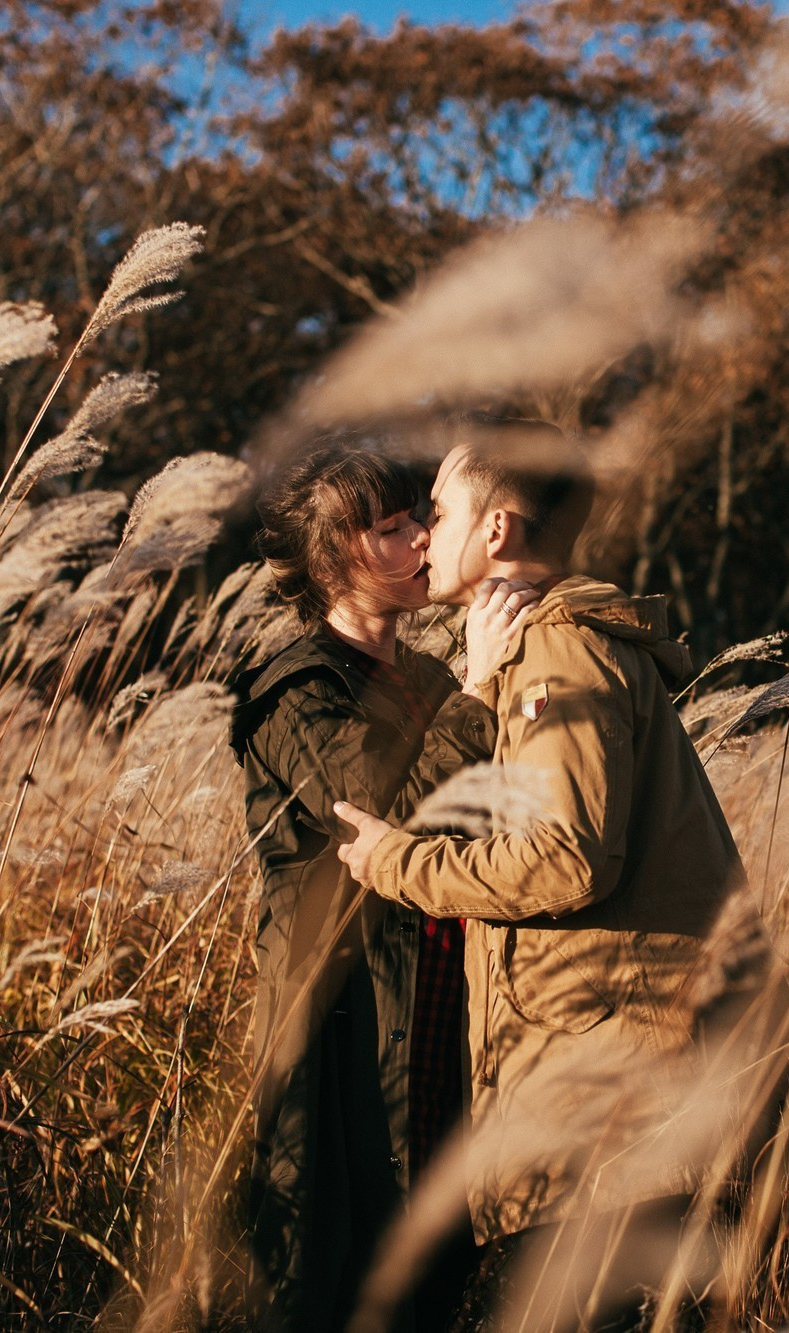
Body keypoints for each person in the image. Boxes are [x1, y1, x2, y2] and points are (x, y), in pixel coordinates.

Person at [331, 421, 746, 1329]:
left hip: (605, 1110)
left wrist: (395, 862)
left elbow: (565, 854)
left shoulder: (561, 650)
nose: (423, 536)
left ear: (497, 529)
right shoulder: (551, 649)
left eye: (438, 513)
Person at [230, 441, 539, 1333]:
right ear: (336, 559)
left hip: (448, 1018)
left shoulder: (429, 679)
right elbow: (394, 819)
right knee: (346, 1276)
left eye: (419, 519)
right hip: (351, 1037)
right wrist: (480, 697)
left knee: (437, 1272)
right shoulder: (294, 692)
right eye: (393, 527)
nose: (421, 539)